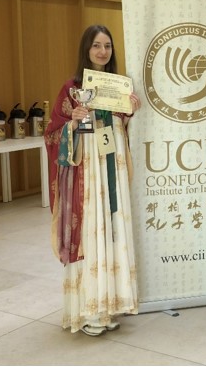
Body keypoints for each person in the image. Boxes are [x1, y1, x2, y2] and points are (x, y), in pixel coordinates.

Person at [44, 25, 141, 336]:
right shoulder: (72, 88)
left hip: (114, 167)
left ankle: (110, 304)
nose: (102, 51)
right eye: (96, 45)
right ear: (86, 49)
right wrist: (72, 123)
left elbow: (117, 128)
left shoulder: (118, 87)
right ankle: (88, 311)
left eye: (107, 46)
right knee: (91, 230)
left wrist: (128, 112)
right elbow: (52, 133)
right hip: (87, 173)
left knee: (112, 229)